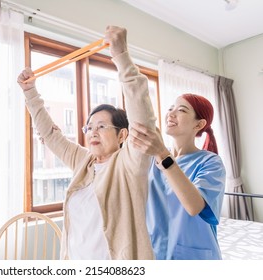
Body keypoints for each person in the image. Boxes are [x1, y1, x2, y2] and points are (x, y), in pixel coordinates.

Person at [17, 26, 156, 260]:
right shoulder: (84, 161)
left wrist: (121, 56)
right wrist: (30, 92)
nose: (93, 132)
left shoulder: (131, 164)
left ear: (123, 136)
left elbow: (142, 120)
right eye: (89, 127)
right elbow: (51, 136)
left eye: (102, 126)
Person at [130, 93, 226, 259]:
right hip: (155, 253)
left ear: (199, 124)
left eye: (181, 110)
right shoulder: (152, 159)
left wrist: (162, 153)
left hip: (193, 258)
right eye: (170, 109)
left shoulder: (211, 162)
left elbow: (194, 206)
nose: (171, 114)